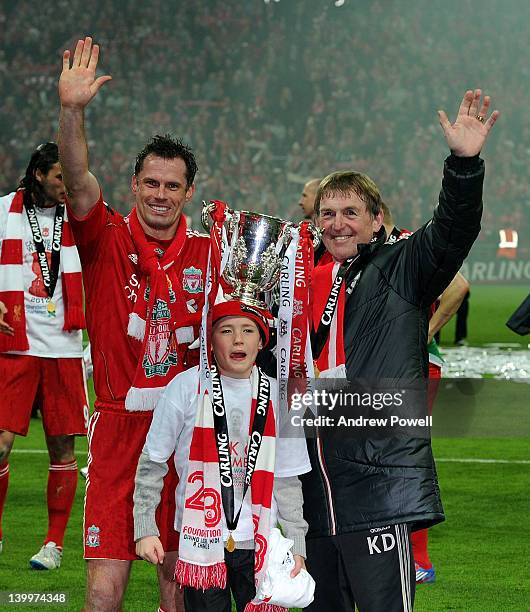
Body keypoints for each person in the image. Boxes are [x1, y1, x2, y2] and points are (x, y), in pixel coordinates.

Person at [303, 89, 499, 611]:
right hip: (315, 487)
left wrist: (464, 164)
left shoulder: (401, 268)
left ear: (375, 220)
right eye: (328, 213)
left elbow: (454, 231)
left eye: (350, 212)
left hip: (378, 482)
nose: (338, 223)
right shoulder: (305, 279)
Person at [57, 37, 209, 611]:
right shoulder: (104, 237)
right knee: (103, 593)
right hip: (119, 430)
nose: (161, 195)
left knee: (179, 592)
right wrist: (72, 112)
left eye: (172, 186)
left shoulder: (210, 251)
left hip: (185, 435)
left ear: (188, 192)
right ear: (134, 187)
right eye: (151, 183)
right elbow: (76, 181)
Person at [134, 300, 311, 612]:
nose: (238, 340)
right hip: (201, 539)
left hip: (260, 540)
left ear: (261, 341)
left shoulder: (279, 398)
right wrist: (145, 527)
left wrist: (296, 542)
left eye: (248, 331)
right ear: (210, 341)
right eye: (226, 331)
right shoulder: (186, 387)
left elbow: (287, 479)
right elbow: (152, 462)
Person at [0, 142, 88, 569]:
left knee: (61, 446)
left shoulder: (79, 218)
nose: (66, 185)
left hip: (63, 345)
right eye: (59, 177)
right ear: (38, 175)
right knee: (0, 444)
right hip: (12, 342)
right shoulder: (3, 211)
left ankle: (53, 544)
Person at [382, 201, 470, 584]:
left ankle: (418, 559)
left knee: (404, 453)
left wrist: (424, 332)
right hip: (379, 369)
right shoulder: (353, 252)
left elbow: (460, 286)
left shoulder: (405, 242)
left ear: (375, 216)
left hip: (413, 367)